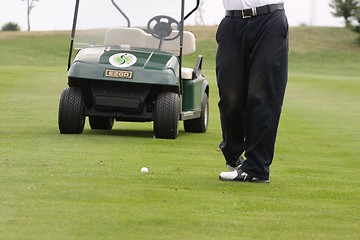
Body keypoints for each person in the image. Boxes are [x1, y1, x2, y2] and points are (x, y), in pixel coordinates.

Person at [216, 0, 289, 183]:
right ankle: (233, 157)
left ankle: (257, 168)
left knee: (261, 95)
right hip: (232, 22)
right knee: (229, 97)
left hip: (269, 20)